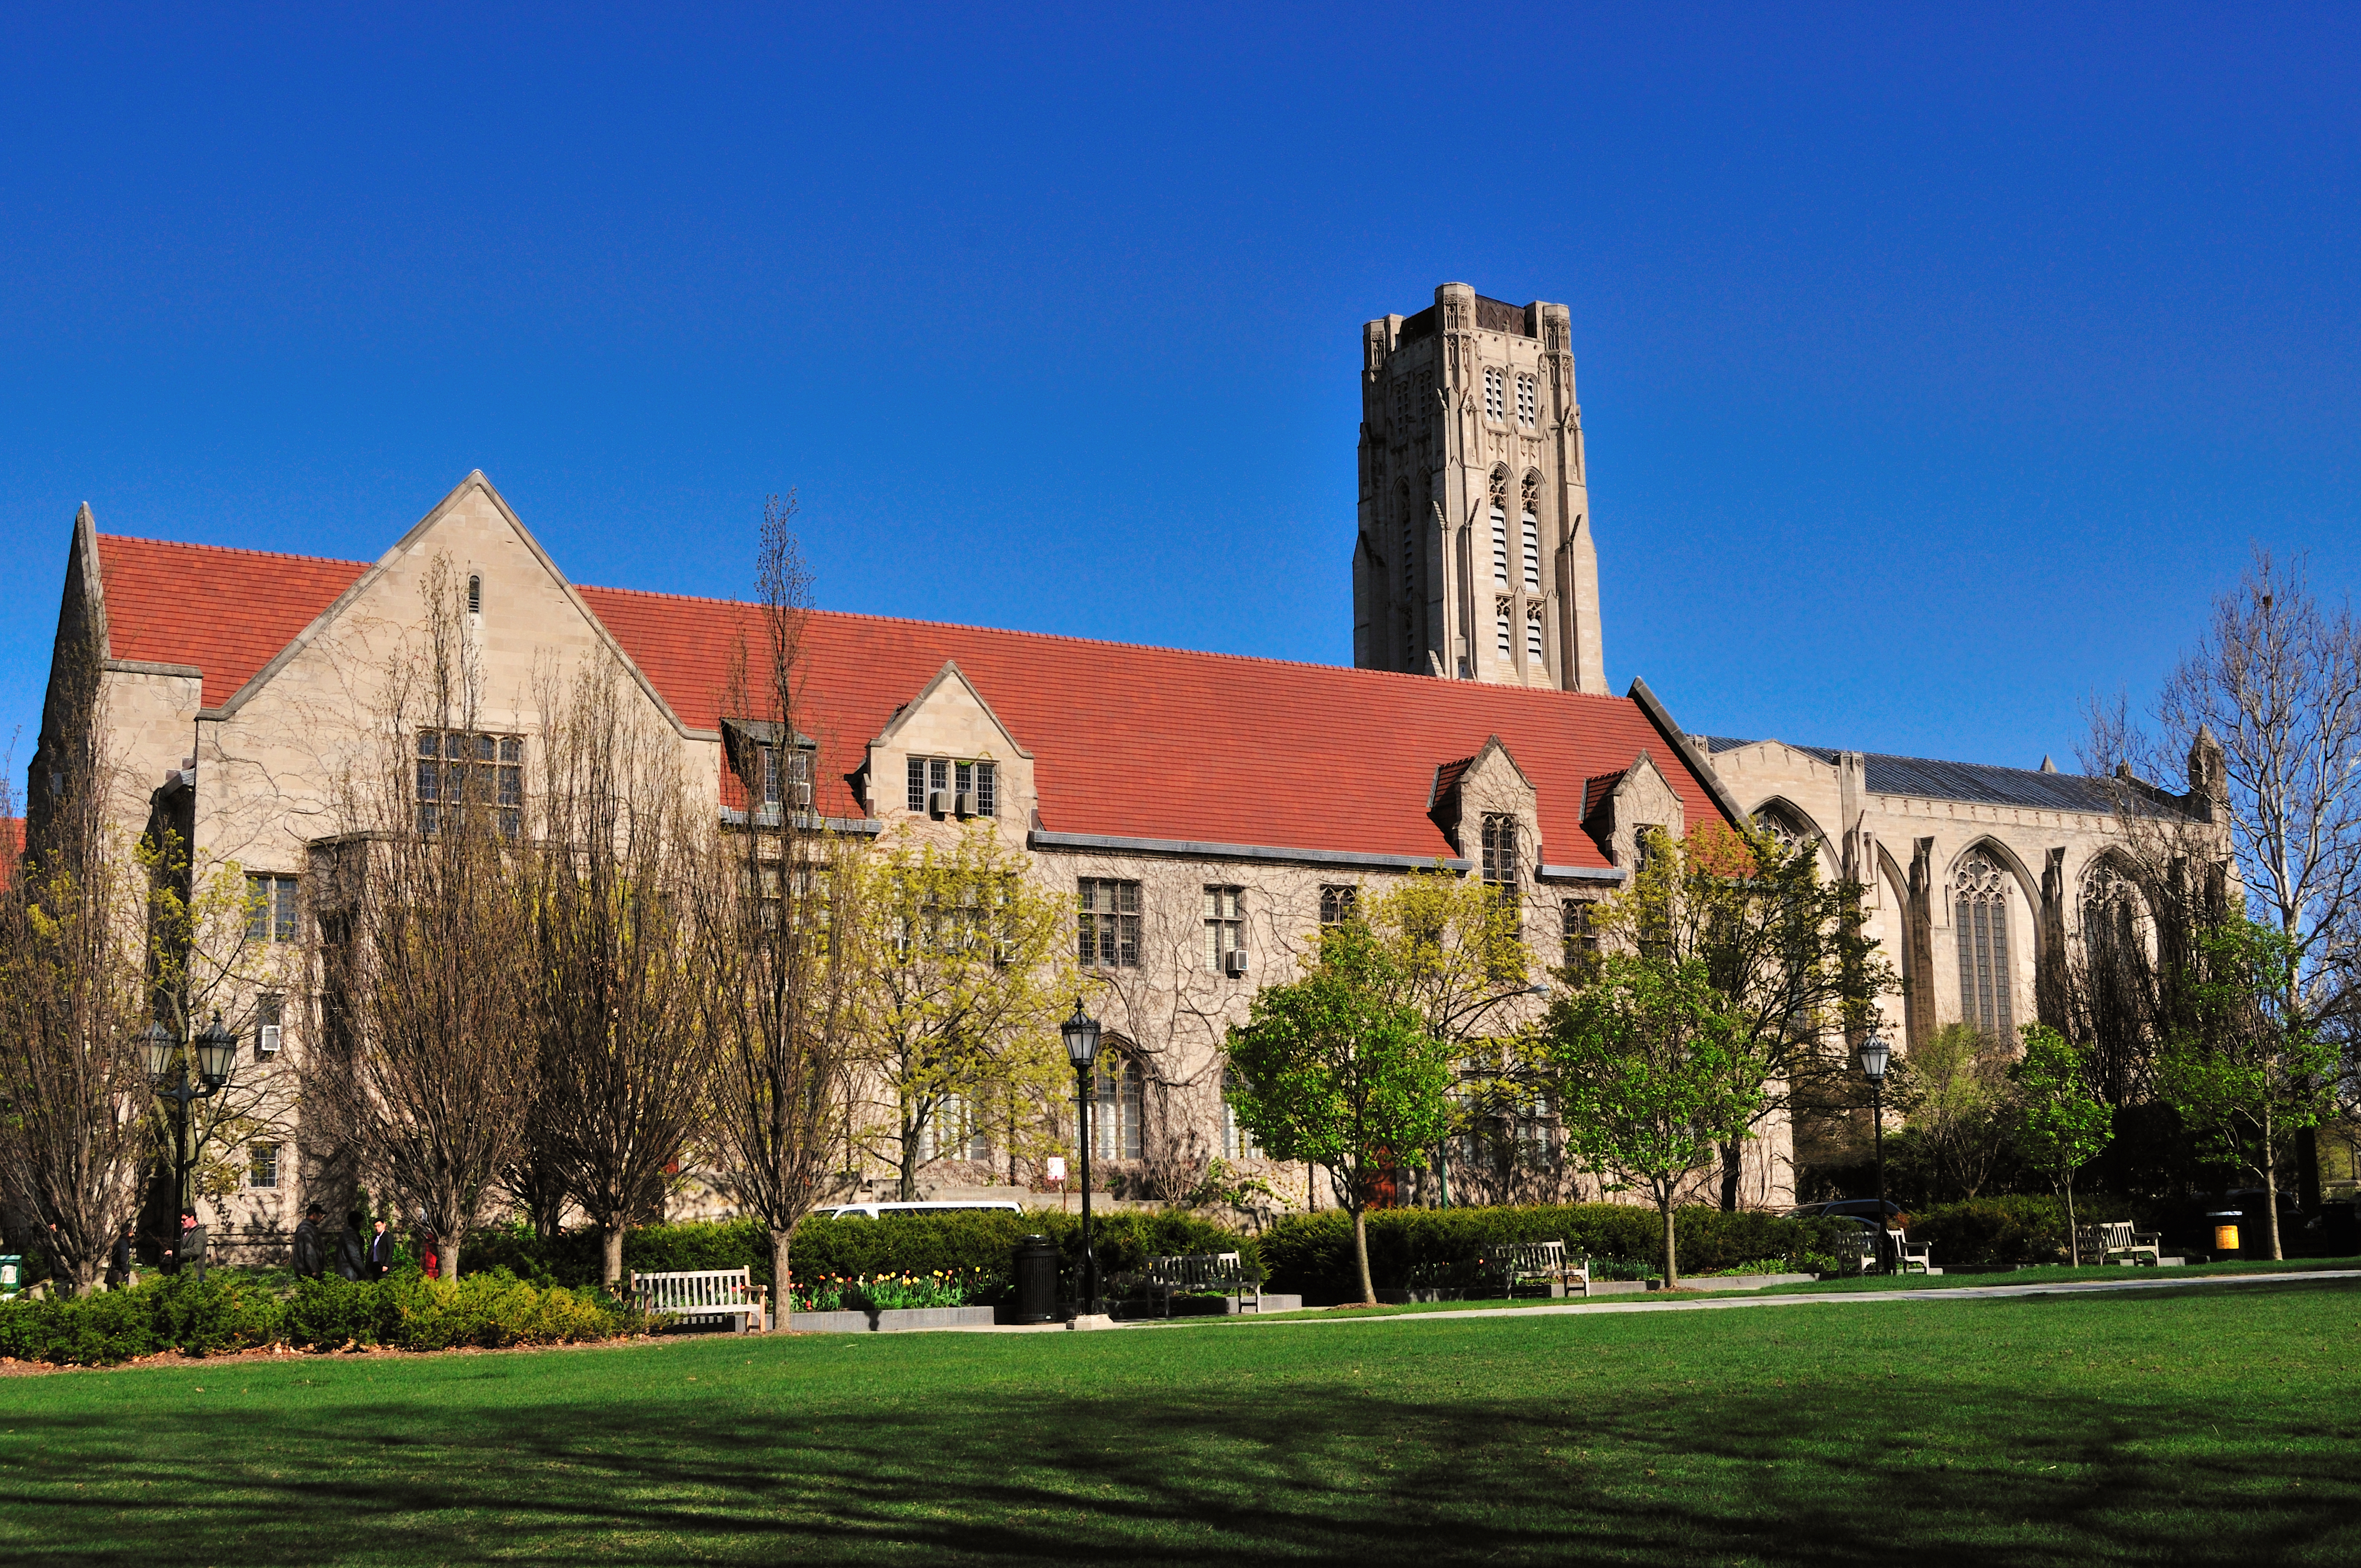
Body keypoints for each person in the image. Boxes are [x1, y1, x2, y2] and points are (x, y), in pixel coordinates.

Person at [292, 1204, 327, 1279]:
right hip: (307, 1273)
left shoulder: (308, 1228)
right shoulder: (306, 1230)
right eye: (320, 1216)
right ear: (314, 1215)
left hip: (306, 1271)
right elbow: (310, 1251)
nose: (321, 1219)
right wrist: (314, 1270)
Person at [338, 1210, 367, 1281]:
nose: (362, 1225)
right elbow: (354, 1256)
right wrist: (363, 1272)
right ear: (357, 1222)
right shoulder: (350, 1235)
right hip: (349, 1273)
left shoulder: (347, 1234)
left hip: (346, 1271)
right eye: (361, 1222)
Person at [105, 1223, 135, 1290]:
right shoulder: (124, 1244)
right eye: (132, 1231)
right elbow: (123, 1260)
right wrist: (126, 1272)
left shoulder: (118, 1241)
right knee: (121, 1292)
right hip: (120, 1273)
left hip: (114, 1271)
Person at [366, 1216, 394, 1280]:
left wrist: (386, 1265)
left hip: (383, 1265)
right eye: (376, 1226)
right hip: (375, 1265)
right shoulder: (375, 1238)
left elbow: (390, 1251)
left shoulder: (388, 1236)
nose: (377, 1228)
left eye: (379, 1226)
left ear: (384, 1225)